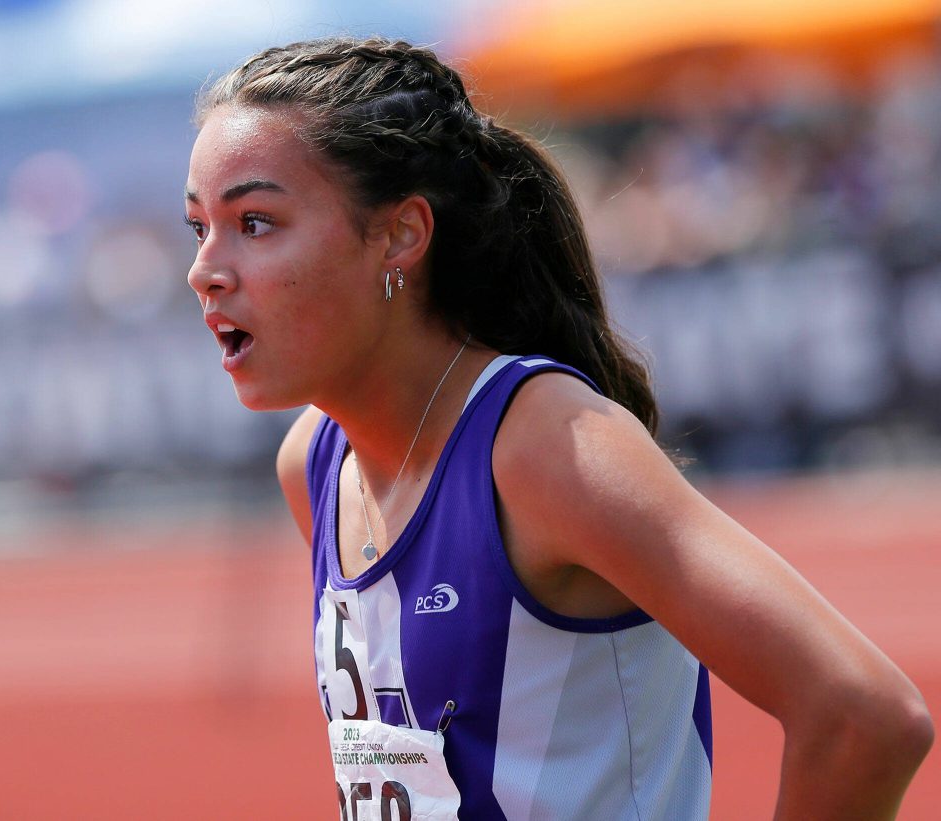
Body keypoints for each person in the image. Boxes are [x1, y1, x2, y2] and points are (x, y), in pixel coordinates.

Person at [184, 36, 933, 820]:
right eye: (197, 226)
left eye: (256, 222)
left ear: (401, 234)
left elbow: (864, 715)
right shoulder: (314, 462)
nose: (206, 268)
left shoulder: (547, 448)